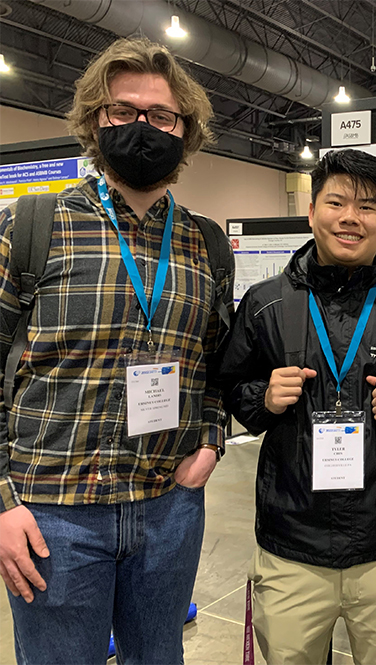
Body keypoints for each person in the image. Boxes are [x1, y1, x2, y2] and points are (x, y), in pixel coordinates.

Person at [0, 38, 234, 664]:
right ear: (94, 120)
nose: (142, 127)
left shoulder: (206, 244)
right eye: (122, 111)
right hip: (54, 515)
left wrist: (211, 442)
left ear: (185, 130)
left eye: (161, 116)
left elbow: (217, 362)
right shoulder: (33, 226)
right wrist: (2, 503)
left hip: (168, 508)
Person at [218, 148, 376, 665]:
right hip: (290, 547)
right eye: (336, 202)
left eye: (367, 207)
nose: (350, 218)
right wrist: (263, 397)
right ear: (312, 211)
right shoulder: (266, 302)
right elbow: (230, 386)